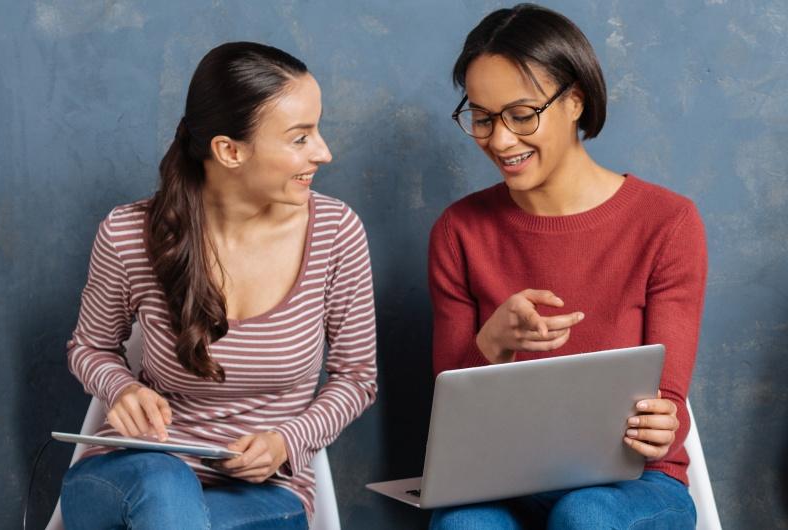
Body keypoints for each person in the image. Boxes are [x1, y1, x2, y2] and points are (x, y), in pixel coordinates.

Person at [59, 41, 378, 529]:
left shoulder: (336, 232)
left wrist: (286, 442)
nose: (324, 152)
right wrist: (121, 389)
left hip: (264, 493)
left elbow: (356, 377)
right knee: (165, 490)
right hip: (131, 474)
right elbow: (91, 347)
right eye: (300, 138)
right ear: (229, 150)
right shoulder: (129, 234)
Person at [426, 4, 706, 529]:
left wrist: (661, 421)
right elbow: (451, 418)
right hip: (498, 482)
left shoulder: (666, 222)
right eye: (483, 118)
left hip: (632, 484)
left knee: (586, 515)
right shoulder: (458, 231)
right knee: (465, 525)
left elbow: (666, 399)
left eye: (522, 114)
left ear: (575, 100)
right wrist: (491, 343)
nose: (500, 140)